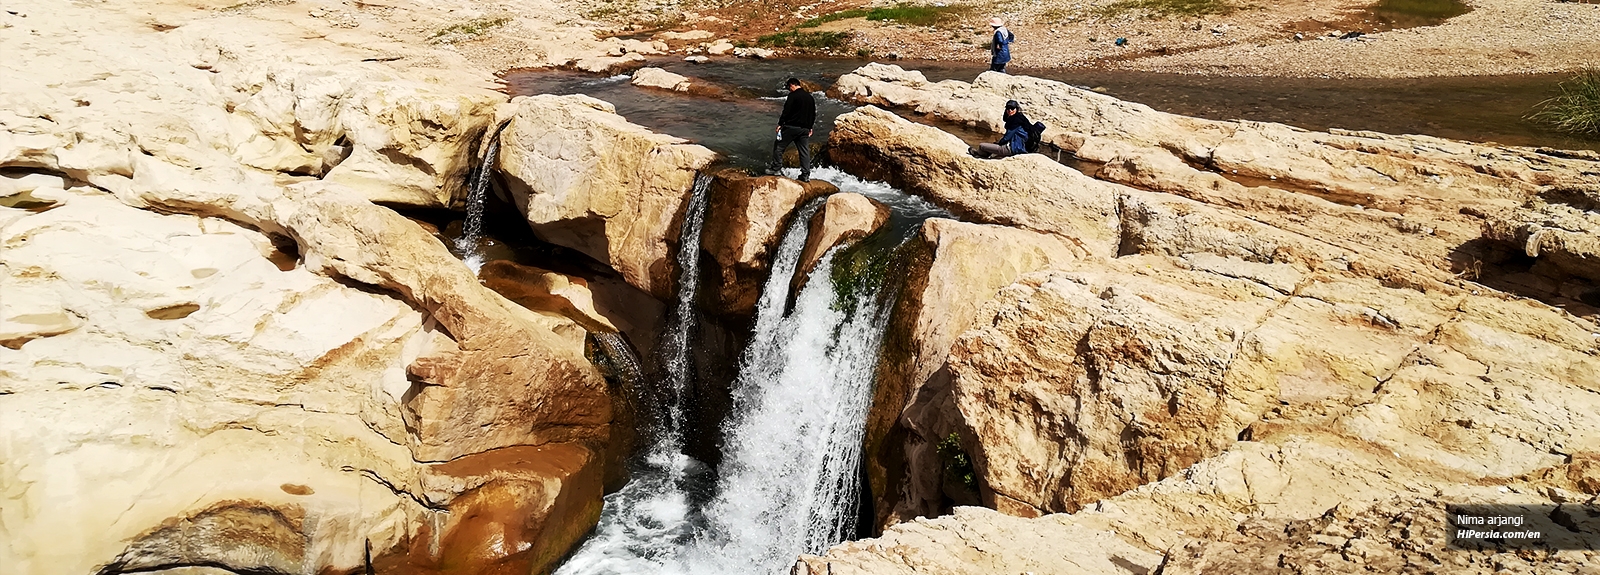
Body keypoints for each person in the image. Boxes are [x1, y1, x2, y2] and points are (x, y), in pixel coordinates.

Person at [768, 77, 816, 182]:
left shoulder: (793, 96)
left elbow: (787, 111)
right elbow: (813, 114)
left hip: (791, 127)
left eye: (789, 87)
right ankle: (805, 175)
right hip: (804, 129)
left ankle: (776, 169)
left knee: (779, 146)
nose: (789, 90)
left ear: (792, 85)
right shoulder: (809, 97)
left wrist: (780, 124)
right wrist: (810, 127)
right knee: (804, 151)